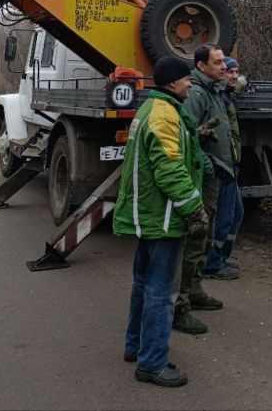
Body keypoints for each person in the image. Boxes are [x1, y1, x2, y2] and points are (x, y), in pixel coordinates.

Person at [113, 55, 208, 388]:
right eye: (186, 79)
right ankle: (152, 363)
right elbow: (169, 168)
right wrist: (194, 208)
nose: (191, 83)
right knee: (161, 291)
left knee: (143, 282)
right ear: (171, 83)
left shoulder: (155, 110)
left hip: (151, 215)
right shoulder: (164, 115)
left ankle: (135, 346)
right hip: (164, 217)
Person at [173, 43, 230, 334]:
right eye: (217, 62)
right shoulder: (196, 94)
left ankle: (194, 291)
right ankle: (180, 302)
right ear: (200, 66)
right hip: (202, 177)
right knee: (194, 238)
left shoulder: (214, 90)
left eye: (223, 61)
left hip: (213, 176)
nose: (223, 66)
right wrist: (208, 167)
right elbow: (187, 134)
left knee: (203, 238)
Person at [201, 56, 245, 280]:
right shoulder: (216, 94)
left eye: (237, 72)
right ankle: (213, 263)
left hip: (231, 164)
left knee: (236, 213)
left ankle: (220, 258)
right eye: (229, 71)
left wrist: (241, 82)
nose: (234, 76)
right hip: (223, 166)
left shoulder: (226, 94)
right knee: (225, 216)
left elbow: (235, 87)